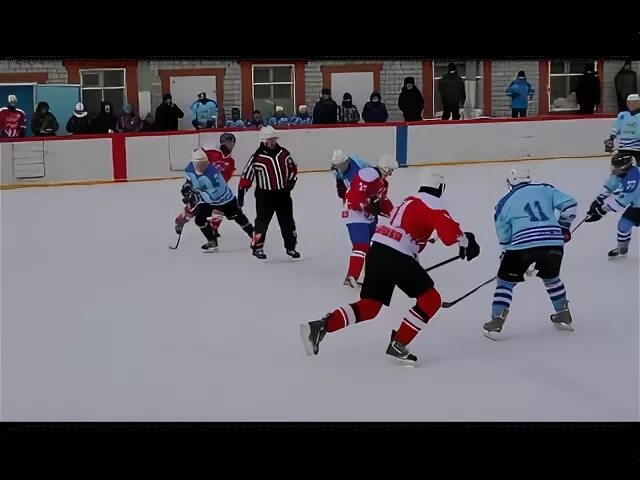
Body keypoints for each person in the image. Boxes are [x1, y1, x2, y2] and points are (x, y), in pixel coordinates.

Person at [300, 172, 480, 364]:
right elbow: (448, 232)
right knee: (431, 300)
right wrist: (466, 241)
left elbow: (426, 231)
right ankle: (399, 343)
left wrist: (460, 240)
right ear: (440, 187)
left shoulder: (409, 201)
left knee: (370, 306)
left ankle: (321, 325)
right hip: (397, 255)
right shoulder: (432, 202)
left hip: (377, 250)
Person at [483, 168, 578, 339]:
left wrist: (506, 252)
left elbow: (503, 232)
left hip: (521, 247)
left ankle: (496, 321)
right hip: (553, 243)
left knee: (505, 282)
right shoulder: (546, 188)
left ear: (510, 183)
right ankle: (563, 313)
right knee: (551, 278)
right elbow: (570, 206)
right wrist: (563, 227)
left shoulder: (503, 202)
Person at [238, 126, 299, 260]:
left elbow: (293, 168)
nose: (272, 142)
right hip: (265, 196)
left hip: (283, 194)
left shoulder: (284, 153)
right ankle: (257, 248)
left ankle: (291, 247)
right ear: (264, 141)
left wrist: (291, 181)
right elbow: (246, 176)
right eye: (269, 140)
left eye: (274, 139)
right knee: (262, 222)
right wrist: (241, 194)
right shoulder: (257, 157)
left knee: (287, 222)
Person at [176, 148, 254, 251]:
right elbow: (191, 179)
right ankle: (212, 240)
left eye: (205, 162)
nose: (203, 165)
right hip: (208, 201)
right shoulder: (189, 168)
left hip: (225, 199)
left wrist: (195, 194)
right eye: (200, 163)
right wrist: (187, 186)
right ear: (194, 163)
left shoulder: (213, 173)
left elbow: (215, 193)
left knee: (238, 217)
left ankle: (255, 236)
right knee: (199, 220)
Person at [339, 153, 398, 288]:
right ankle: (351, 276)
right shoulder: (369, 173)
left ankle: (370, 275)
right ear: (386, 168)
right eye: (391, 170)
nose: (391, 174)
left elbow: (381, 202)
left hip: (368, 217)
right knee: (361, 245)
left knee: (370, 248)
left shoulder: (381, 182)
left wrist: (396, 215)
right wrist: (364, 205)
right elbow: (355, 194)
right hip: (355, 214)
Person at [175, 133, 237, 238]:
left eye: (231, 142)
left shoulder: (230, 162)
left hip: (215, 191)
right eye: (226, 142)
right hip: (201, 186)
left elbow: (226, 178)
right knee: (194, 208)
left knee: (220, 209)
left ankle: (213, 229)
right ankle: (180, 221)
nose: (229, 144)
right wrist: (189, 182)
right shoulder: (212, 153)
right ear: (222, 143)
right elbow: (197, 160)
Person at [584, 151, 640, 258]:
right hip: (637, 206)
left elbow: (622, 201)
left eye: (617, 167)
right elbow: (611, 185)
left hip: (636, 203)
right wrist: (597, 201)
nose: (614, 169)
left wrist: (600, 212)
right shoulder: (621, 172)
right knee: (623, 225)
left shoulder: (635, 177)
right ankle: (622, 248)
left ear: (625, 167)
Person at [604, 93, 640, 165]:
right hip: (623, 148)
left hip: (637, 149)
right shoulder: (622, 115)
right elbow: (616, 129)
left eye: (633, 102)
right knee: (616, 163)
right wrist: (610, 139)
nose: (630, 104)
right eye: (628, 102)